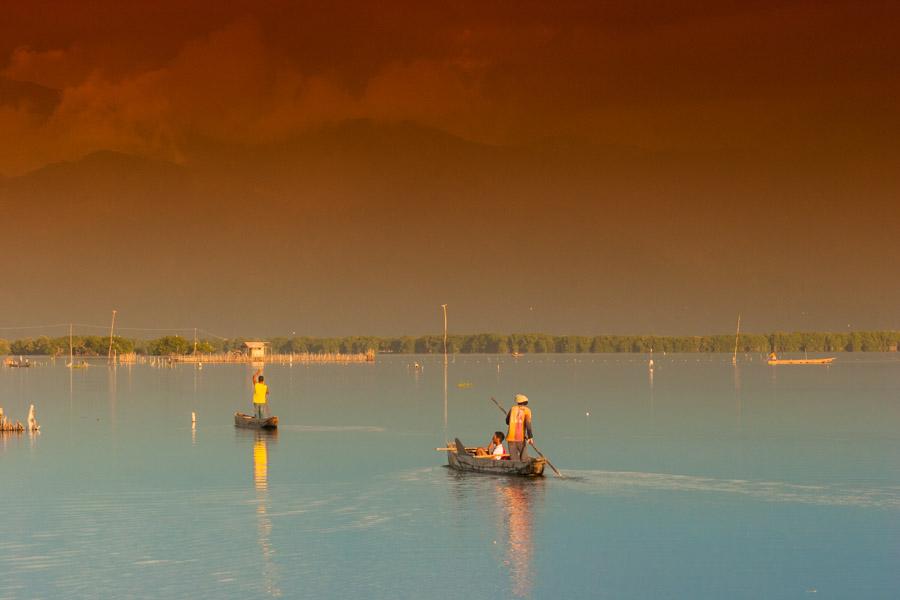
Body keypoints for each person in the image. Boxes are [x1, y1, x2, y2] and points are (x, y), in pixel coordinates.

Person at [505, 393, 533, 461]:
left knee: (514, 459)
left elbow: (507, 421)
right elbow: (528, 424)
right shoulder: (527, 410)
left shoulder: (512, 409)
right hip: (520, 437)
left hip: (511, 437)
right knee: (524, 458)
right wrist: (530, 437)